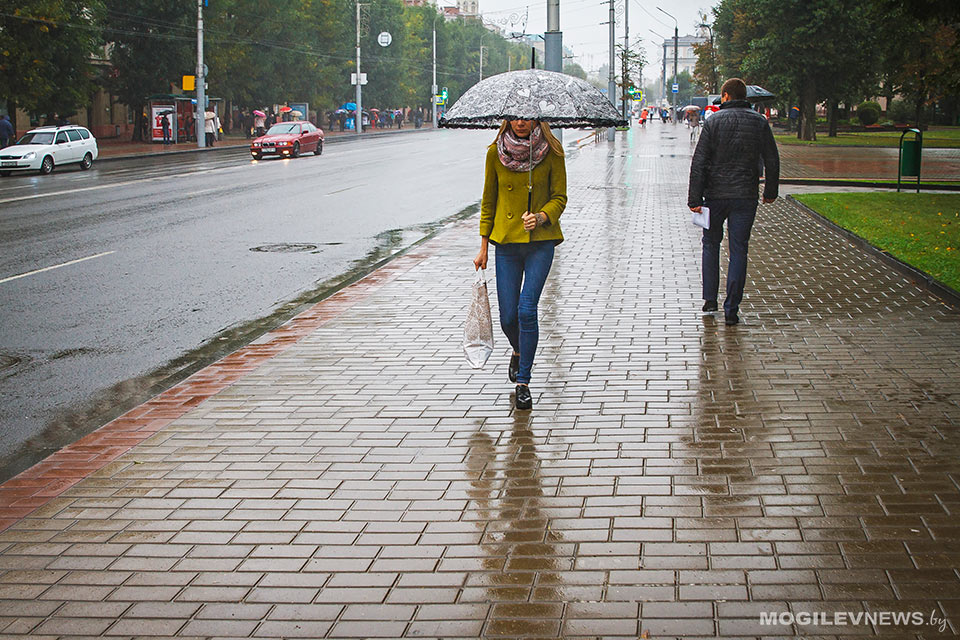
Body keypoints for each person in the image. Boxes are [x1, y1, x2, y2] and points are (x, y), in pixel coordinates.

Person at [473, 119, 567, 410]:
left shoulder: (552, 150)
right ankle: (517, 349)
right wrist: (483, 246)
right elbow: (489, 201)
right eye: (515, 116)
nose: (521, 122)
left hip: (541, 243)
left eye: (527, 116)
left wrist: (540, 216)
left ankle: (523, 381)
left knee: (527, 309)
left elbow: (560, 197)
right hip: (507, 244)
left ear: (536, 119)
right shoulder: (495, 153)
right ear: (507, 120)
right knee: (508, 318)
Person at [687, 77, 780, 326]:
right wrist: (770, 191)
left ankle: (709, 299)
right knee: (739, 249)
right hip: (744, 196)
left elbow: (699, 161)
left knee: (710, 244)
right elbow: (772, 159)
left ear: (726, 96)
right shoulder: (759, 122)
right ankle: (732, 309)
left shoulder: (713, 122)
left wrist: (694, 198)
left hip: (714, 196)